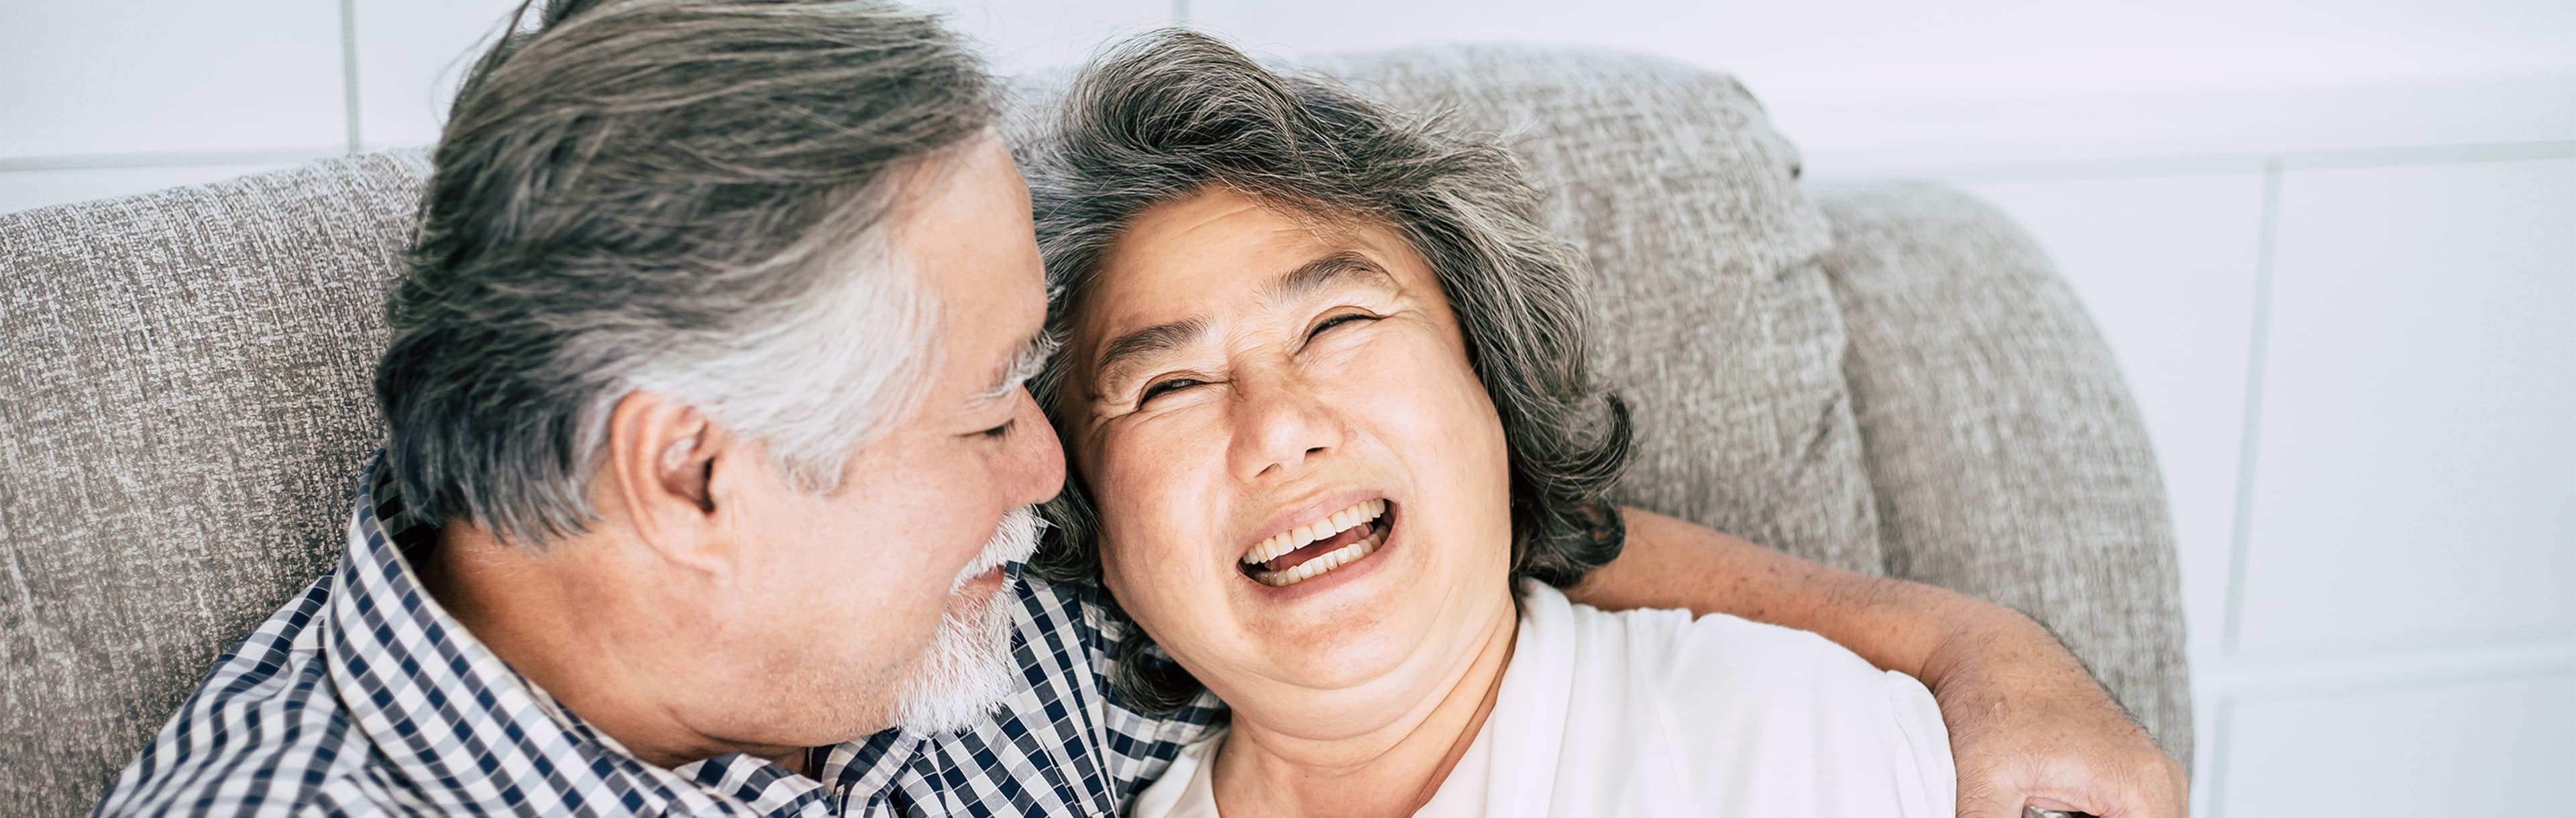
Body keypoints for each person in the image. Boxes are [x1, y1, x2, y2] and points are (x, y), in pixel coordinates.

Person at [91, 2, 2182, 817]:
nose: (1055, 471)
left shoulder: (995, 618)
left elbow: (1421, 560)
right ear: (695, 472)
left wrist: (1953, 640)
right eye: (1002, 402)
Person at [1024, 29, 1952, 817]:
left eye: (1339, 324)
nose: (1279, 430)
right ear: (1090, 515)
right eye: (1169, 387)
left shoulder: (1793, 740)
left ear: (1492, 384)